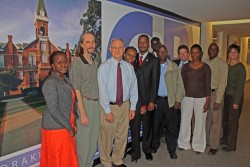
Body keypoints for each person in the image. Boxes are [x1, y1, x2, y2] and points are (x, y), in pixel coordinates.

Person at [98, 38, 138, 167]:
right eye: (114, 47)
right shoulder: (104, 67)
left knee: (122, 134)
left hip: (125, 105)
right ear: (110, 50)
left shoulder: (128, 67)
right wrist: (107, 111)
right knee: (107, 137)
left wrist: (133, 107)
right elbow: (102, 91)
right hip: (109, 106)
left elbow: (133, 88)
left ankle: (118, 159)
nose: (117, 50)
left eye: (120, 47)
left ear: (124, 49)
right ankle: (106, 161)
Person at [40, 51, 78, 167]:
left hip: (67, 124)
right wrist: (69, 127)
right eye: (59, 62)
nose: (63, 65)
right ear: (53, 66)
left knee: (67, 158)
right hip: (56, 129)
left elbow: (72, 103)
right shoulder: (50, 83)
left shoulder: (66, 80)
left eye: (65, 62)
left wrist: (74, 121)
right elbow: (54, 109)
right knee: (57, 160)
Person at [69, 32, 100, 167]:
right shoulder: (76, 63)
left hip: (96, 104)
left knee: (93, 141)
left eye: (93, 42)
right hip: (84, 104)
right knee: (83, 144)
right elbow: (77, 91)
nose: (91, 45)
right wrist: (83, 114)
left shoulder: (96, 62)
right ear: (81, 44)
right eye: (87, 42)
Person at [129, 34, 160, 161]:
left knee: (147, 127)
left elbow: (155, 82)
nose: (142, 45)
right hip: (133, 101)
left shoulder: (154, 60)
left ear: (148, 44)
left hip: (147, 100)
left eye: (144, 42)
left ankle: (147, 150)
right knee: (134, 127)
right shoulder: (132, 57)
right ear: (138, 44)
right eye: (140, 42)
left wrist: (152, 101)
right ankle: (135, 151)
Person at [152, 44, 185, 159]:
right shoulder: (153, 65)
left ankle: (172, 149)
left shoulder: (173, 67)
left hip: (170, 101)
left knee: (171, 127)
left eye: (164, 51)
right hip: (156, 101)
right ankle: (155, 145)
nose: (162, 53)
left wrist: (178, 100)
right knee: (155, 126)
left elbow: (180, 84)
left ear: (167, 52)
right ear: (157, 53)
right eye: (160, 52)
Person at [178, 44, 211, 154]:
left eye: (197, 52)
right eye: (192, 52)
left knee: (200, 122)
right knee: (185, 121)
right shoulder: (186, 67)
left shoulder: (206, 67)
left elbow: (207, 85)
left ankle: (198, 145)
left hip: (201, 99)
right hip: (186, 98)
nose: (194, 54)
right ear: (190, 54)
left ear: (201, 53)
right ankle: (183, 143)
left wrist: (207, 101)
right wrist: (179, 99)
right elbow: (181, 85)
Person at [123, 46, 147, 162]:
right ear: (124, 54)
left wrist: (143, 105)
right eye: (129, 55)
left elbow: (142, 87)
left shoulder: (138, 69)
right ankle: (121, 153)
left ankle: (135, 154)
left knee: (135, 130)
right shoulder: (118, 68)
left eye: (133, 56)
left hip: (136, 104)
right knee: (122, 131)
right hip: (121, 105)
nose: (131, 58)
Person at [221, 44, 246, 152]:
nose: (232, 54)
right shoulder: (227, 66)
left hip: (235, 97)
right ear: (228, 53)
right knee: (225, 119)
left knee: (233, 121)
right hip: (226, 96)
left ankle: (231, 145)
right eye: (231, 52)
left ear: (238, 54)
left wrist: (236, 102)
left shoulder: (240, 68)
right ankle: (225, 139)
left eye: (235, 52)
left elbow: (240, 86)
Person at [204, 43, 228, 155]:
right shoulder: (205, 62)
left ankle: (214, 145)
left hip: (215, 94)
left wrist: (218, 100)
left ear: (218, 50)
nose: (212, 50)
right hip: (205, 94)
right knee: (207, 119)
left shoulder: (223, 64)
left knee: (216, 120)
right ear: (208, 50)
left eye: (215, 49)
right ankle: (207, 141)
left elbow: (223, 83)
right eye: (210, 49)